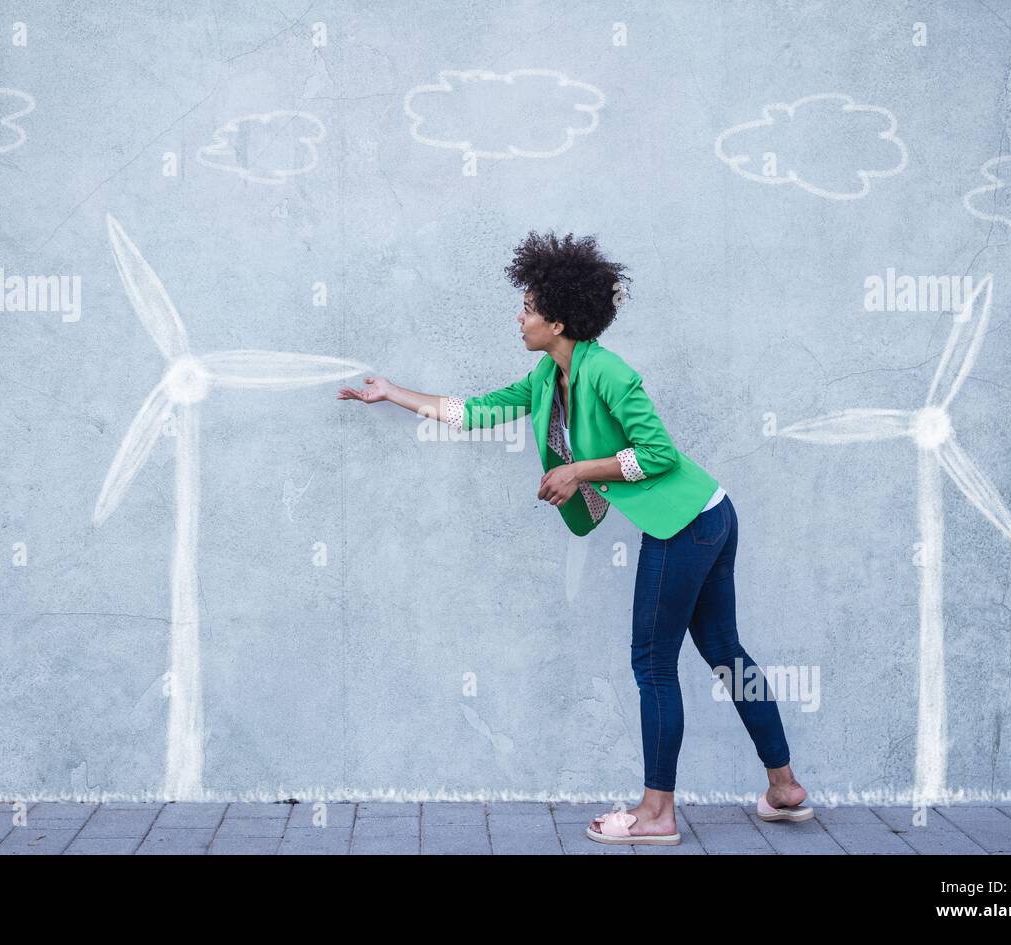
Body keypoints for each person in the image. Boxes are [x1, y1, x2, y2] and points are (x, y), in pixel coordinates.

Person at [338, 230, 811, 844]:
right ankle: (784, 787)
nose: (520, 317)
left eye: (528, 309)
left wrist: (578, 470)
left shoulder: (608, 371)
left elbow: (659, 455)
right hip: (709, 512)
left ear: (557, 322)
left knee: (653, 664)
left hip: (686, 523)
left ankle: (657, 814)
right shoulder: (548, 377)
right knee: (724, 651)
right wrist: (391, 393)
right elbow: (475, 412)